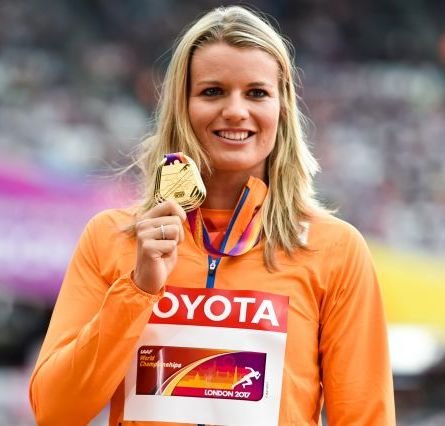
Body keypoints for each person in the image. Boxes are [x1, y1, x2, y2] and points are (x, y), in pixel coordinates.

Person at [29, 5, 396, 426]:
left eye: (257, 93)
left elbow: (367, 418)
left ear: (282, 108)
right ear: (181, 107)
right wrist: (138, 289)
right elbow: (55, 412)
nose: (236, 110)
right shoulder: (114, 237)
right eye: (212, 91)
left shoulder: (334, 249)